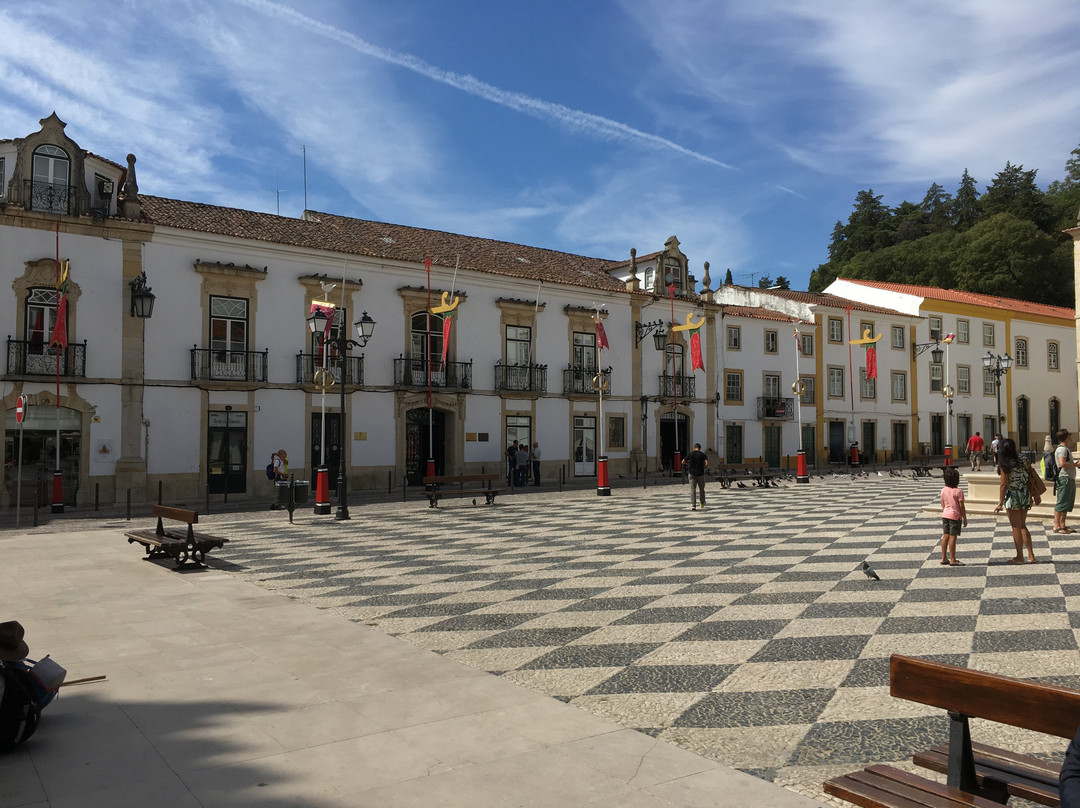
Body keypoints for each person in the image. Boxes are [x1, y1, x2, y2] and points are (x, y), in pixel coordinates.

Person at [993, 437, 1039, 564]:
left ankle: (1020, 556)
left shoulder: (1005, 463)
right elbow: (1030, 476)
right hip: (1024, 493)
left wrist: (1000, 502)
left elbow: (1003, 485)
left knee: (1015, 526)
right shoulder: (1024, 459)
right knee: (1023, 525)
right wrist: (1034, 494)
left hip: (1013, 495)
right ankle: (1031, 554)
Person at [939, 466, 967, 565]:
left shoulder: (943, 490)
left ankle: (943, 557)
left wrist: (945, 510)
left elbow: (942, 503)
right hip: (955, 516)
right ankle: (952, 559)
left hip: (945, 514)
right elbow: (961, 506)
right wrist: (964, 517)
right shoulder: (958, 491)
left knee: (945, 536)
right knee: (952, 537)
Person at [1055, 428, 1077, 534]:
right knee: (1061, 502)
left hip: (1069, 478)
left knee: (1066, 503)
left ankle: (1062, 524)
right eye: (1069, 436)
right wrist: (1075, 465)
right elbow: (1062, 463)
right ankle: (1056, 526)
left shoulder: (1065, 449)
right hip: (1065, 478)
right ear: (1067, 437)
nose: (1070, 438)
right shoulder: (1062, 450)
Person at [685, 442, 708, 510]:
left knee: (693, 489)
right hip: (700, 474)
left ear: (694, 447)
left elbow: (683, 461)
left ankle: (693, 505)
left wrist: (688, 463)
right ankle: (702, 503)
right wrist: (703, 465)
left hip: (692, 473)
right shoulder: (702, 454)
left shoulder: (690, 454)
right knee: (701, 489)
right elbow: (707, 463)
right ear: (700, 448)